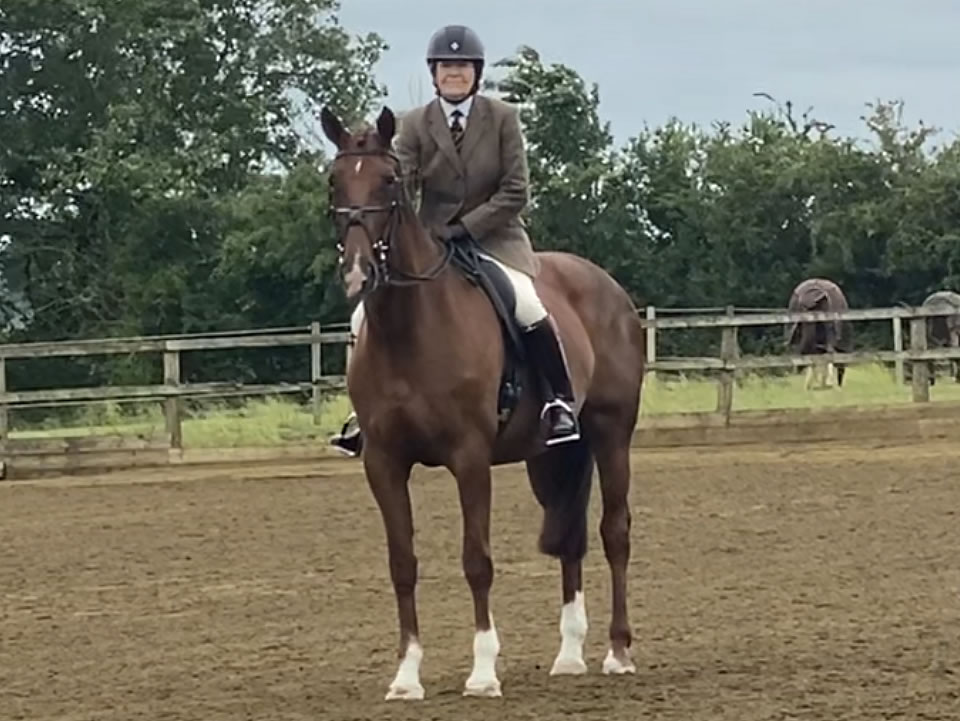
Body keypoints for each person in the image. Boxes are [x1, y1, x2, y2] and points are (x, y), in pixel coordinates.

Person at [330, 24, 580, 456]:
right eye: (447, 67)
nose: (454, 74)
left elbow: (515, 191)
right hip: (433, 242)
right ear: (434, 73)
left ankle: (558, 402)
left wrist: (468, 227)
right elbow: (401, 178)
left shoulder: (503, 118)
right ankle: (365, 415)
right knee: (361, 317)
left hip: (495, 240)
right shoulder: (413, 124)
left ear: (476, 73)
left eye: (462, 67)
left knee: (527, 304)